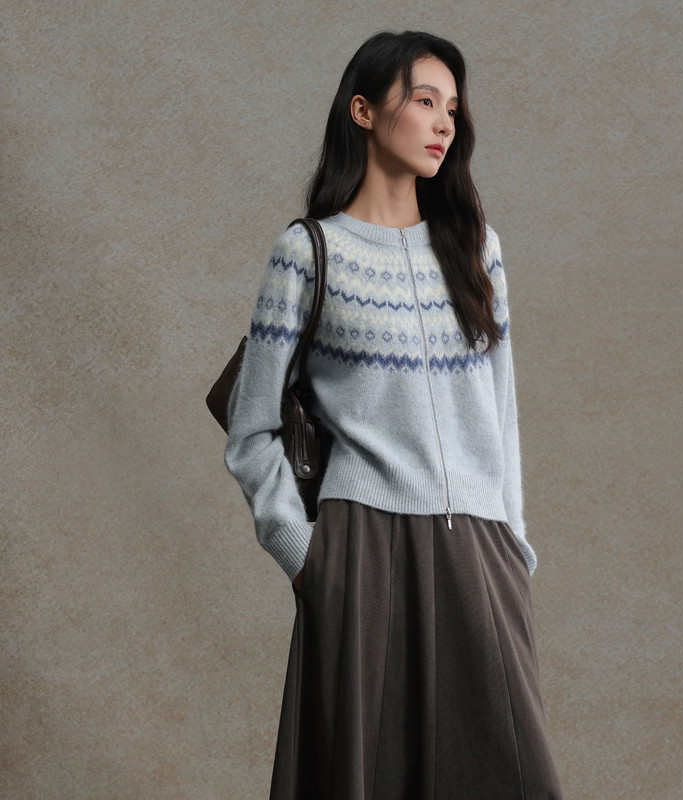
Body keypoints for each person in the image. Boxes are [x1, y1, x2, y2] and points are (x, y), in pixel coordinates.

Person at [224, 29, 563, 800]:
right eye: (424, 101)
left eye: (453, 108)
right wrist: (303, 555)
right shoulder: (308, 255)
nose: (444, 122)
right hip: (361, 550)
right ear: (364, 111)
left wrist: (513, 549)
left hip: (480, 548)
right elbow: (251, 430)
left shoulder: (477, 250)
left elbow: (501, 414)